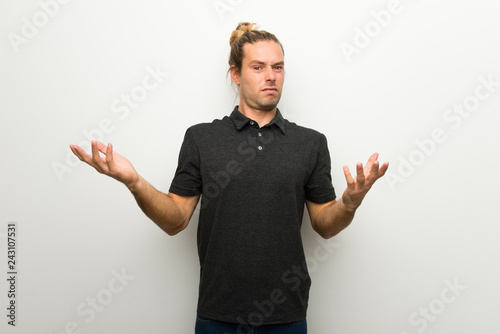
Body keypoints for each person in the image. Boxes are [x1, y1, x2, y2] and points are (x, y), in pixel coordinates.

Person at [69, 22, 389, 334]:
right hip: (218, 316)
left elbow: (324, 224)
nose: (270, 76)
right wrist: (134, 181)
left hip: (287, 316)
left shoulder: (310, 143)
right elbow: (175, 219)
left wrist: (348, 204)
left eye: (278, 67)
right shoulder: (202, 138)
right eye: (258, 67)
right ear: (236, 74)